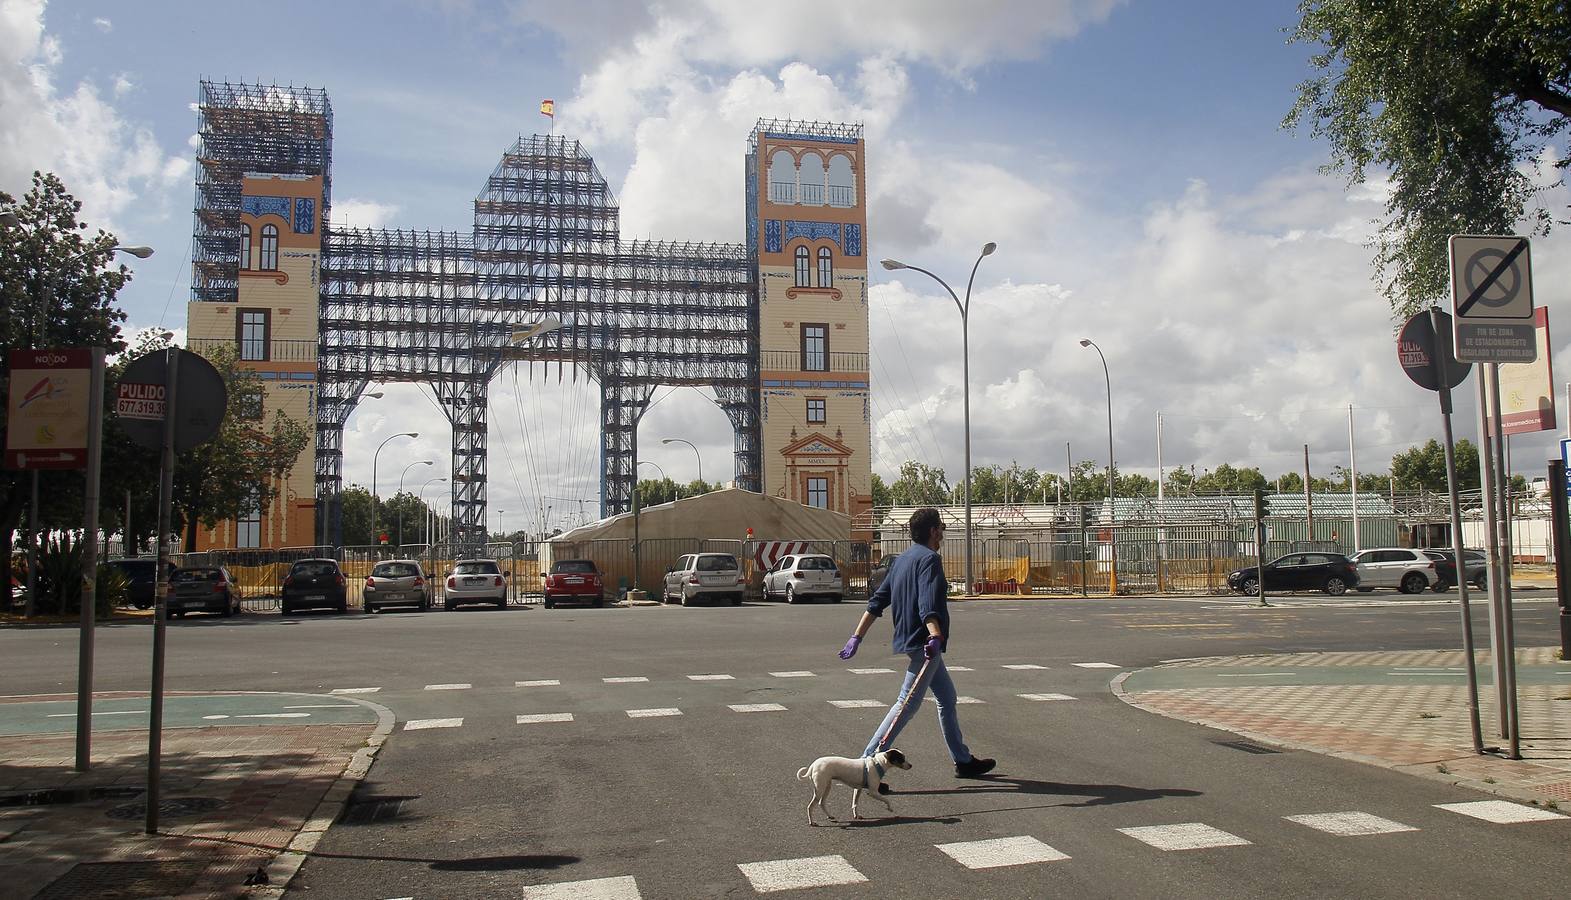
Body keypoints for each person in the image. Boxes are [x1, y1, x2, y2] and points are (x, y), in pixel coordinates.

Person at [837, 507, 995, 789]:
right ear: (934, 531)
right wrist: (934, 635)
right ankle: (865, 766)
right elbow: (927, 603)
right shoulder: (930, 559)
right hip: (925, 645)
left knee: (947, 697)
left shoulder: (901, 560)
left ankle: (963, 760)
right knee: (905, 706)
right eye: (942, 529)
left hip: (914, 641)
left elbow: (877, 601)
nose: (943, 533)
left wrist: (856, 636)